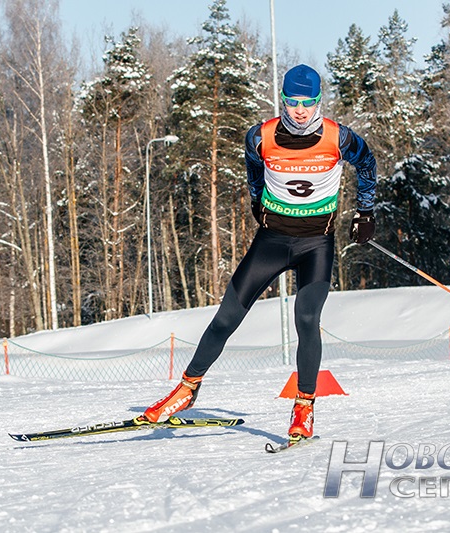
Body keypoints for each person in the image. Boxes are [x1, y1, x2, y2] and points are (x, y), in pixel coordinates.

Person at [139, 64, 378, 441]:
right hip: (272, 241)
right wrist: (256, 201)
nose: (300, 110)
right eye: (293, 102)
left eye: (308, 102)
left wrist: (365, 212)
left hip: (316, 243)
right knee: (226, 318)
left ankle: (304, 408)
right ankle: (187, 389)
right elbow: (254, 170)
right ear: (283, 100)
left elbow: (367, 163)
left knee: (306, 319)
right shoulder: (259, 136)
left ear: (319, 101)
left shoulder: (339, 137)